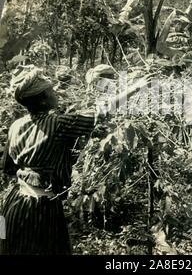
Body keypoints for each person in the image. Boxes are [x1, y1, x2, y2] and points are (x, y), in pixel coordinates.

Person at [0, 66, 145, 255]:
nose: (56, 93)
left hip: (12, 204)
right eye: (51, 91)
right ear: (43, 100)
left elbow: (8, 167)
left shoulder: (16, 125)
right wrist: (135, 88)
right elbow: (101, 111)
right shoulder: (58, 124)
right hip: (39, 209)